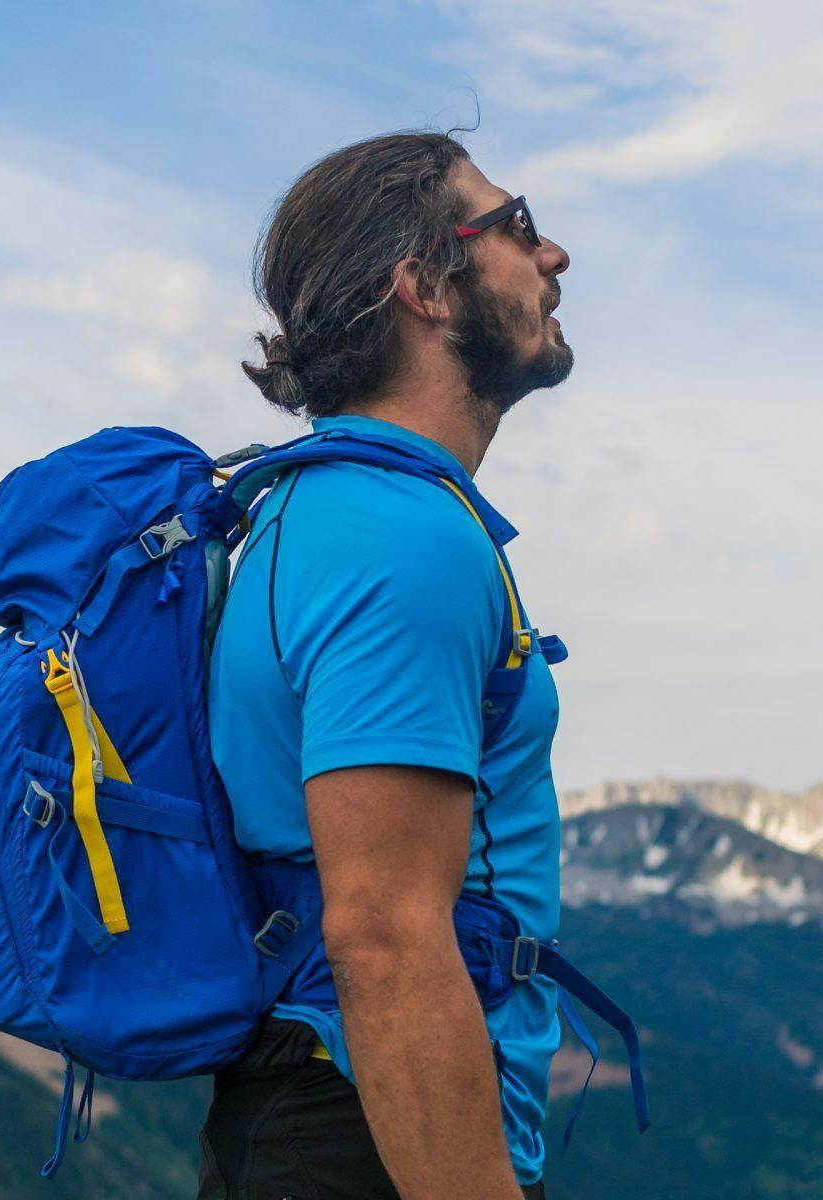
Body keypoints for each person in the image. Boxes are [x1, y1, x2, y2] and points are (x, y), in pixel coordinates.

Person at [202, 130, 574, 1200]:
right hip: (369, 1137)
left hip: (308, 1112)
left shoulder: (302, 509)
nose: (552, 257)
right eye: (514, 225)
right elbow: (386, 936)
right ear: (423, 286)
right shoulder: (400, 539)